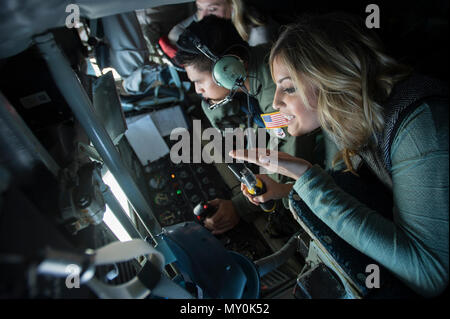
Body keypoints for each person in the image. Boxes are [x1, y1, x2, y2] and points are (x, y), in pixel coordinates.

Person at [230, 13, 449, 297]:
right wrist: (287, 189)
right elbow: (361, 191)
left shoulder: (420, 128)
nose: (275, 102)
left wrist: (305, 175)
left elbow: (429, 274)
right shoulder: (346, 118)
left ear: (329, 79)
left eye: (289, 87)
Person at [174, 15, 323, 235]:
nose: (197, 91)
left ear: (229, 68)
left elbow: (285, 173)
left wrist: (240, 207)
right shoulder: (249, 73)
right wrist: (215, 104)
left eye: (199, 82)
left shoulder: (277, 98)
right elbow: (240, 134)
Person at [168, 0, 278, 47]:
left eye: (212, 9)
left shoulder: (258, 33)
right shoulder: (204, 15)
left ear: (232, 7)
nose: (202, 17)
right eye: (199, 8)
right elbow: (174, 35)